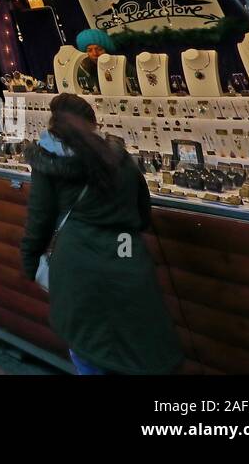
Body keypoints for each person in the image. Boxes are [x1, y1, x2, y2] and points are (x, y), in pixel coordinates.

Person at [21, 92, 183, 375]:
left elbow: (39, 221)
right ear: (93, 123)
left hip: (78, 268)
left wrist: (30, 261)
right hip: (128, 259)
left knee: (91, 350)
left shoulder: (49, 164)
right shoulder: (119, 159)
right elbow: (141, 213)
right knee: (140, 345)